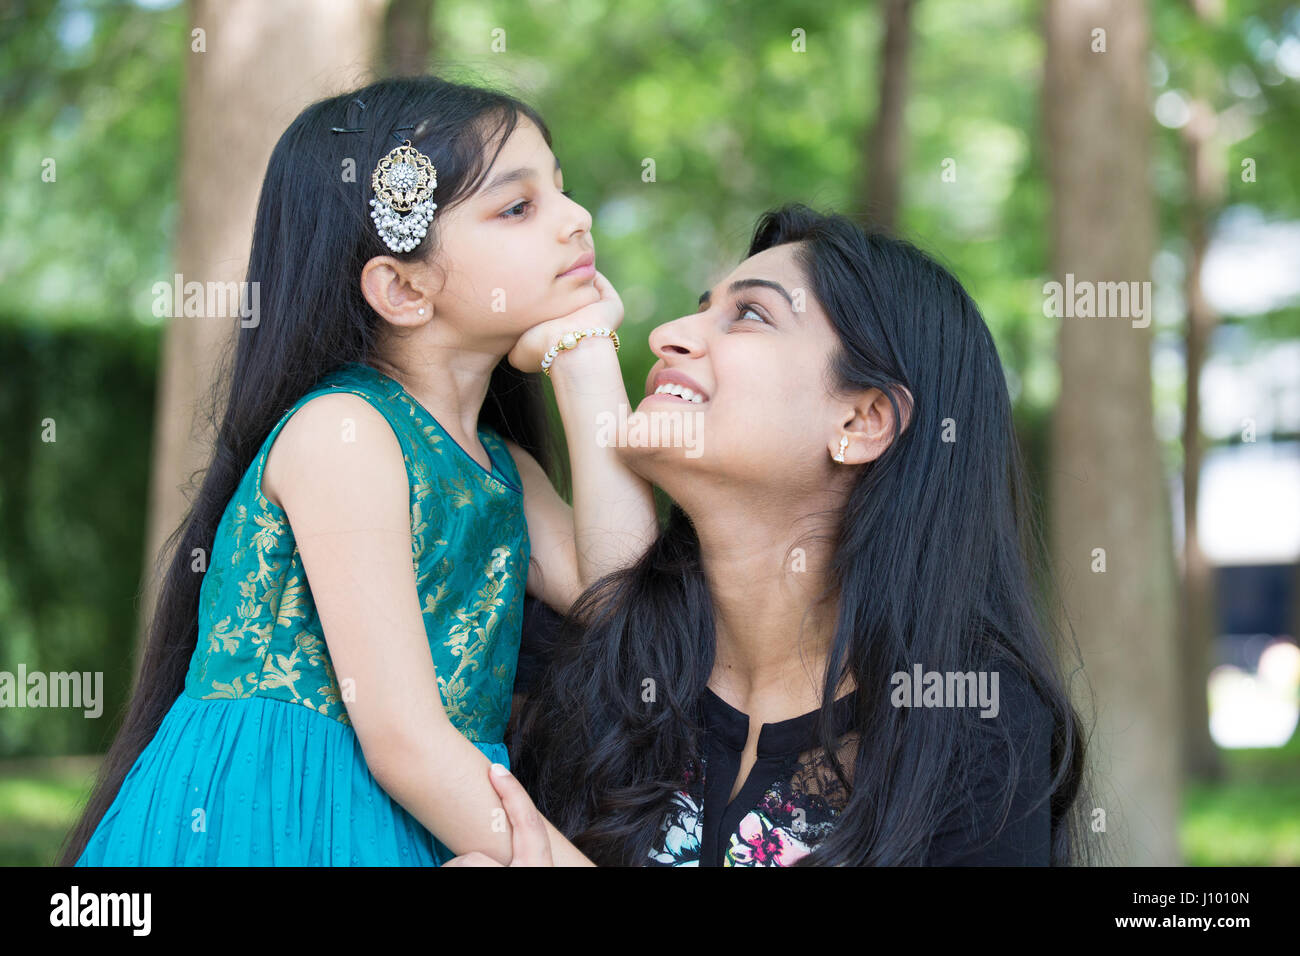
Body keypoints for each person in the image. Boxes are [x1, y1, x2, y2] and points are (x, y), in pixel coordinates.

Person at [59, 74, 654, 867]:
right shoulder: (343, 433)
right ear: (403, 288)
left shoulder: (502, 473)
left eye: (563, 191)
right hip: (271, 820)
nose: (577, 220)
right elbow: (403, 740)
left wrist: (583, 359)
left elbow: (626, 606)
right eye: (518, 207)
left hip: (431, 818)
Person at [456, 203, 1102, 867]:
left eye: (750, 315)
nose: (668, 335)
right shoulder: (582, 667)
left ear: (862, 421)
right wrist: (582, 359)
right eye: (699, 307)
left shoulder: (969, 724)